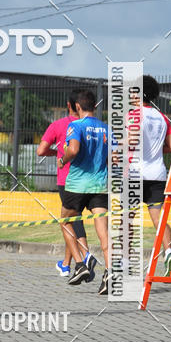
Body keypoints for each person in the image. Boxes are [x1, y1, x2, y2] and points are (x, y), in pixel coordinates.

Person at [37, 93, 97, 280]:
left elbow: (41, 150)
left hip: (68, 179)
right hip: (92, 179)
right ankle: (66, 264)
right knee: (72, 221)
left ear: (70, 105)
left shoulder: (59, 125)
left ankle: (85, 255)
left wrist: (57, 153)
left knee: (70, 220)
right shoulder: (94, 126)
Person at [58, 89, 111, 294]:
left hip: (77, 185)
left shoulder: (76, 125)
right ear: (95, 106)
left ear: (78, 107)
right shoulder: (106, 128)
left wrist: (62, 160)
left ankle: (80, 265)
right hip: (100, 185)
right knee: (103, 231)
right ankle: (110, 273)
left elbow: (73, 150)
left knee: (65, 221)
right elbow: (114, 158)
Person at [138, 75, 171, 274]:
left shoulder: (133, 115)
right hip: (157, 174)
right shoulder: (162, 117)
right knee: (158, 218)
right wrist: (154, 151)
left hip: (135, 174)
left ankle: (124, 262)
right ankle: (169, 251)